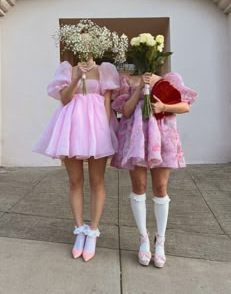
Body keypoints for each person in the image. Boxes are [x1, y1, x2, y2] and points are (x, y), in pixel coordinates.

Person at [33, 56, 120, 262]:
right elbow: (64, 99)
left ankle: (93, 232)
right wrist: (77, 77)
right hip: (71, 128)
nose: (85, 47)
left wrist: (105, 133)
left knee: (97, 182)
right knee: (75, 181)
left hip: (96, 129)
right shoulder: (67, 70)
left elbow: (107, 103)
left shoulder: (104, 70)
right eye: (80, 42)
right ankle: (80, 229)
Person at [111, 71, 197, 268]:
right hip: (136, 140)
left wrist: (163, 106)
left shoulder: (170, 79)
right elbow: (125, 110)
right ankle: (143, 239)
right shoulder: (128, 81)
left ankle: (161, 240)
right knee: (139, 186)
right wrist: (140, 87)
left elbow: (185, 106)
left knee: (160, 187)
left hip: (163, 138)